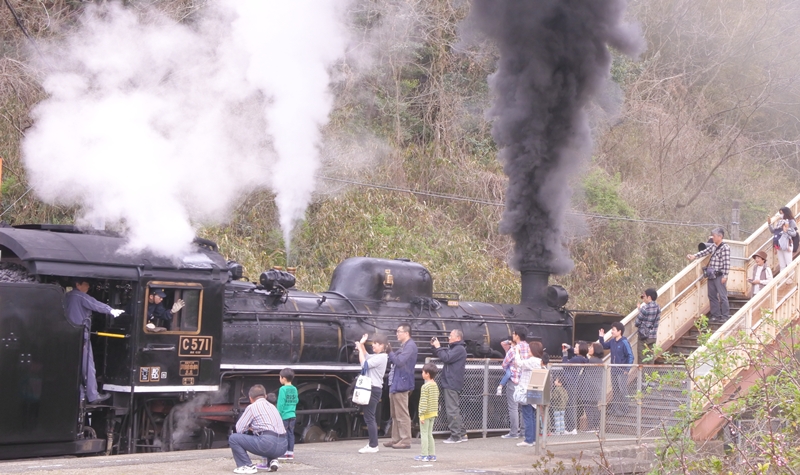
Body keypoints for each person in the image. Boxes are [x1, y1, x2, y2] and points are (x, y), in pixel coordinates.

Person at [64, 278, 124, 404]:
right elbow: (95, 304)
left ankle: (80, 395)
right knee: (88, 367)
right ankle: (93, 395)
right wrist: (110, 310)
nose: (88, 287)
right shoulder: (80, 296)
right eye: (86, 284)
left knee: (73, 367)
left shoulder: (66, 297)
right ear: (78, 284)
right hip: (81, 336)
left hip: (68, 336)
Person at [229, 384, 287, 474]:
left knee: (234, 438)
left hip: (267, 444)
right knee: (267, 434)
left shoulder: (252, 407)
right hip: (283, 446)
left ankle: (246, 465)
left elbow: (239, 428)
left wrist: (251, 428)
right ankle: (273, 460)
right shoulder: (273, 406)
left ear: (250, 398)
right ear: (265, 396)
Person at [432, 329, 468, 444]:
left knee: (452, 410)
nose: (449, 337)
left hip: (452, 382)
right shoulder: (454, 348)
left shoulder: (459, 349)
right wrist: (435, 347)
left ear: (458, 338)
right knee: (454, 408)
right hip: (450, 382)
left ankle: (456, 436)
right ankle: (462, 433)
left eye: (451, 335)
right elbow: (444, 355)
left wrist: (438, 347)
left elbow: (446, 358)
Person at [355, 333, 389, 454]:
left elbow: (364, 365)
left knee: (369, 417)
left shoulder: (382, 357)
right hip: (372, 388)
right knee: (369, 417)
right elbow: (367, 356)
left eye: (376, 344)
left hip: (372, 389)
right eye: (373, 343)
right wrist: (362, 344)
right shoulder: (377, 356)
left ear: (383, 346)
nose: (373, 345)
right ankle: (372, 444)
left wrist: (359, 348)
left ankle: (373, 445)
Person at [384, 324, 417, 449]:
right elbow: (394, 359)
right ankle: (396, 439)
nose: (397, 334)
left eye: (399, 331)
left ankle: (405, 440)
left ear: (406, 333)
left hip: (402, 383)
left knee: (402, 414)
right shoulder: (403, 347)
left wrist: (390, 352)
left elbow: (399, 361)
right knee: (395, 414)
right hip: (396, 382)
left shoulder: (410, 346)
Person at [687, 227, 731, 322]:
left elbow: (727, 263)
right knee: (712, 295)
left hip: (719, 275)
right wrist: (694, 256)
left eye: (714, 236)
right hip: (711, 275)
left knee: (722, 296)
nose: (712, 238)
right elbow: (705, 252)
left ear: (720, 236)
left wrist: (725, 276)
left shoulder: (725, 248)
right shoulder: (713, 246)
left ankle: (725, 315)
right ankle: (715, 315)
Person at [500, 326, 531, 439]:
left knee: (513, 407)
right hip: (526, 381)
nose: (512, 335)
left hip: (514, 380)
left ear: (517, 335)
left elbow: (504, 364)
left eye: (513, 334)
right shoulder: (529, 347)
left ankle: (513, 432)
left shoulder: (514, 349)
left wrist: (510, 370)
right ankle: (523, 431)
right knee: (524, 406)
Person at [598, 322, 634, 416]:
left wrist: (627, 369)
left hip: (622, 370)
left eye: (613, 330)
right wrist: (601, 337)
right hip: (613, 369)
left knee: (622, 389)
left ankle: (625, 408)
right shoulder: (612, 341)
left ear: (619, 331)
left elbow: (630, 356)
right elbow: (604, 346)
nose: (612, 332)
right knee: (615, 389)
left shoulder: (624, 342)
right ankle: (615, 408)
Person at [514, 340, 544, 447]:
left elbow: (518, 363)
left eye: (529, 349)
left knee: (527, 416)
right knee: (532, 416)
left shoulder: (532, 360)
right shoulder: (539, 361)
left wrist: (517, 351)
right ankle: (534, 439)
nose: (528, 350)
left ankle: (528, 440)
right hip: (534, 391)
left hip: (526, 390)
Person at [560, 342, 589, 435]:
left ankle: (570, 428)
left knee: (570, 406)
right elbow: (577, 352)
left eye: (576, 347)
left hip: (571, 383)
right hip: (576, 384)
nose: (574, 349)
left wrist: (565, 354)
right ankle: (571, 428)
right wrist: (570, 348)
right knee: (571, 405)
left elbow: (565, 365)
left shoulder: (577, 359)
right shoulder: (584, 358)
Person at [415, 362, 440, 462]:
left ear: (427, 374)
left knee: (424, 434)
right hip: (433, 413)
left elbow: (423, 401)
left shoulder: (425, 387)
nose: (422, 374)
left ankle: (424, 454)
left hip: (425, 414)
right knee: (430, 434)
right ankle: (432, 455)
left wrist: (421, 414)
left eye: (423, 372)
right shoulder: (435, 385)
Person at [274, 369, 298, 462]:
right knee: (291, 434)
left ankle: (283, 453)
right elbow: (297, 400)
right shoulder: (294, 388)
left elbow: (281, 403)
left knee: (283, 434)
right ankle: (290, 453)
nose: (279, 379)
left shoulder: (282, 389)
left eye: (279, 377)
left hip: (284, 415)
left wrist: (278, 414)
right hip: (293, 415)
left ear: (283, 378)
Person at [580, 343, 605, 431]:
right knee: (594, 406)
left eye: (591, 347)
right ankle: (596, 426)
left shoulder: (591, 360)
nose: (589, 348)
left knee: (588, 406)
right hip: (596, 387)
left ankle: (591, 426)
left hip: (589, 387)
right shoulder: (600, 361)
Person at [769, 207, 798, 282]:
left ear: (786, 213)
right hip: (779, 245)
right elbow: (774, 231)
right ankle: (782, 280)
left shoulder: (791, 221)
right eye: (780, 213)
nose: (780, 215)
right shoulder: (780, 222)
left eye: (781, 213)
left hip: (787, 244)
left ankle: (791, 278)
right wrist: (769, 224)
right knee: (782, 264)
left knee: (789, 263)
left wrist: (786, 231)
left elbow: (794, 233)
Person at [634, 288, 660, 364]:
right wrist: (640, 309)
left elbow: (637, 323)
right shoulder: (658, 307)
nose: (643, 298)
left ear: (649, 297)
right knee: (650, 358)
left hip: (644, 337)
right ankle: (650, 371)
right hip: (653, 336)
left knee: (642, 358)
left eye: (644, 296)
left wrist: (640, 310)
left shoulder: (645, 308)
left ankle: (642, 372)